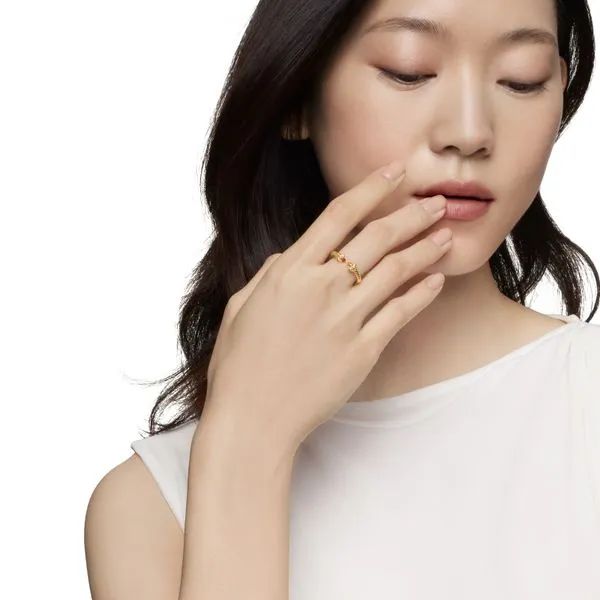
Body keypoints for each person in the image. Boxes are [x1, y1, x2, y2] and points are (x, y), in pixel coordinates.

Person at [84, 0, 600, 598]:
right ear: (297, 96)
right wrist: (246, 447)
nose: (470, 132)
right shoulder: (149, 509)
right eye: (410, 71)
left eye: (521, 80)